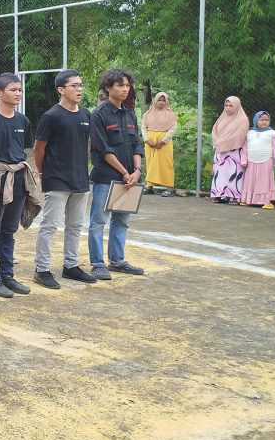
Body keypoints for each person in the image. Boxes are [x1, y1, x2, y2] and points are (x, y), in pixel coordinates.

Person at [0, 73, 41, 298]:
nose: (18, 93)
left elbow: (24, 150)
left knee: (9, 231)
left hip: (18, 181)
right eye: (13, 90)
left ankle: (8, 276)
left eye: (20, 90)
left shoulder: (23, 121)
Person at [32, 70, 97, 290]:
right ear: (61, 89)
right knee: (50, 226)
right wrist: (43, 173)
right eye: (74, 85)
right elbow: (39, 149)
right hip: (57, 179)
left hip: (80, 180)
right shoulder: (52, 116)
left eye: (81, 85)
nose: (79, 89)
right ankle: (42, 269)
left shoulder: (86, 115)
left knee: (75, 226)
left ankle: (71, 266)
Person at [87, 68, 146, 279]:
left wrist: (136, 171)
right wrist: (124, 172)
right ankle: (97, 263)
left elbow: (136, 144)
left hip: (130, 179)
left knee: (121, 220)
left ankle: (117, 260)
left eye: (127, 85)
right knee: (98, 221)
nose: (125, 89)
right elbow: (103, 149)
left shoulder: (130, 114)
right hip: (106, 177)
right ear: (108, 87)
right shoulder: (98, 115)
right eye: (120, 85)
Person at [210, 96, 249, 204]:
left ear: (236, 106)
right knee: (220, 174)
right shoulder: (221, 118)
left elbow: (240, 135)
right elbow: (214, 131)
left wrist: (222, 141)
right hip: (220, 152)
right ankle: (218, 195)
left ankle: (233, 197)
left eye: (231, 106)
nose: (228, 108)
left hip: (234, 151)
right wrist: (217, 141)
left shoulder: (243, 120)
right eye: (226, 105)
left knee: (233, 173)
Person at [240, 111, 275, 209]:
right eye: (261, 120)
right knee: (250, 180)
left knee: (264, 181)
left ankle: (266, 201)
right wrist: (244, 160)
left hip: (266, 161)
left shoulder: (272, 133)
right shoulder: (250, 133)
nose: (264, 122)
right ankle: (248, 199)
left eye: (266, 120)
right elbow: (245, 148)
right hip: (251, 161)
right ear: (256, 120)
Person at [141, 92, 177, 196]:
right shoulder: (148, 114)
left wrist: (163, 141)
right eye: (159, 100)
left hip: (164, 143)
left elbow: (173, 128)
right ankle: (149, 186)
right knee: (150, 162)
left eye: (163, 100)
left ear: (166, 102)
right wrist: (147, 140)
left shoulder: (170, 114)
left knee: (166, 163)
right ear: (155, 101)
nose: (161, 102)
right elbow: (143, 127)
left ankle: (169, 187)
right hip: (150, 143)